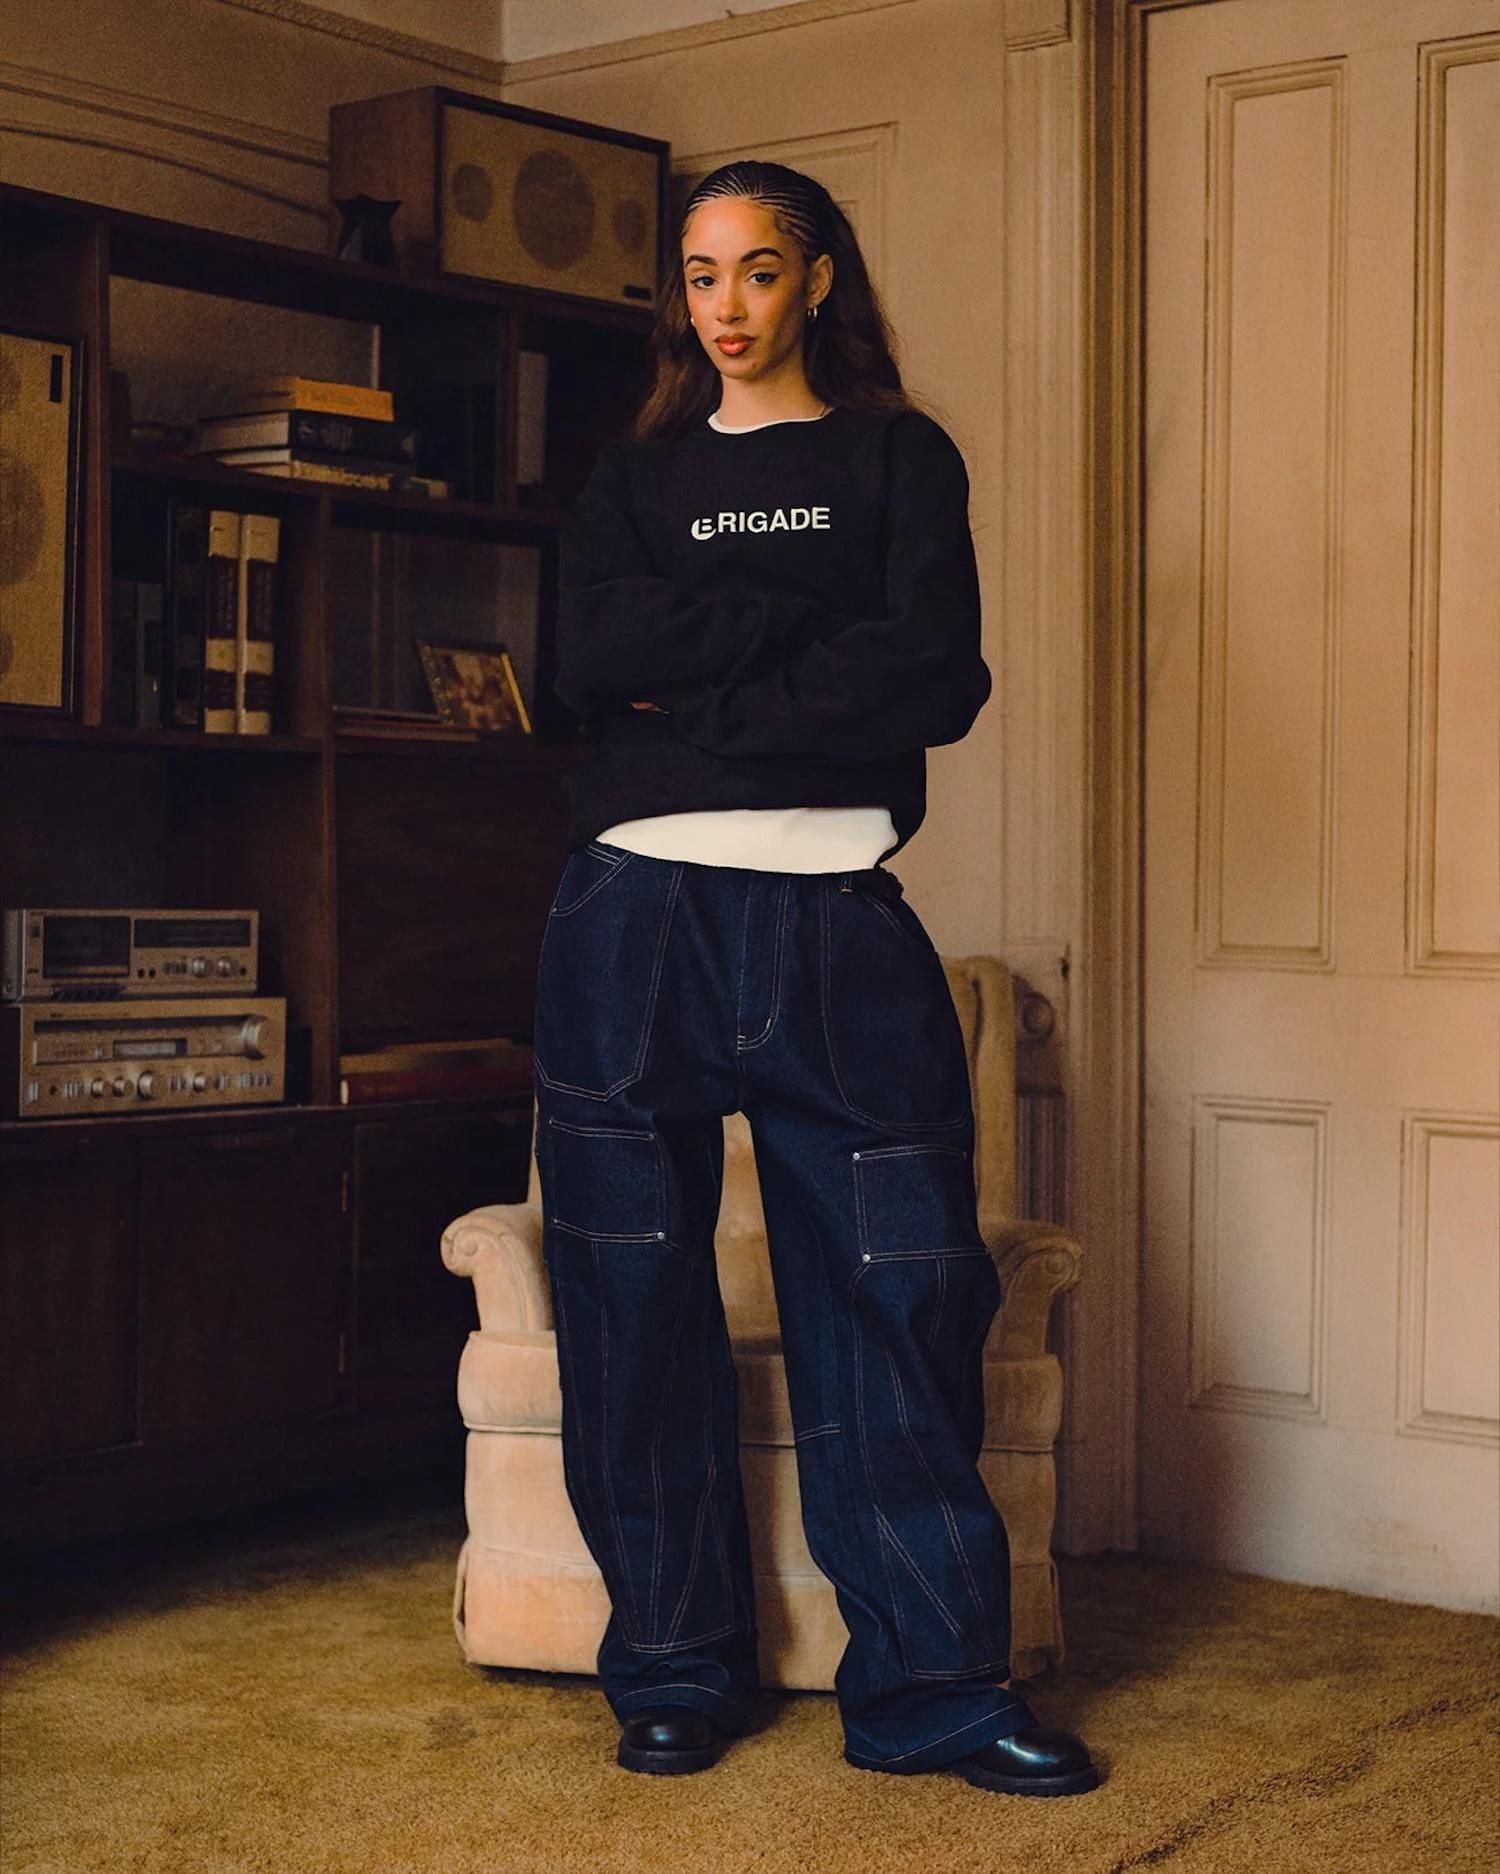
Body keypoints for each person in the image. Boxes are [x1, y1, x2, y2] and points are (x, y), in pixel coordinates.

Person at [533, 158, 1099, 1800]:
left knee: (899, 1289)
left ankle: (933, 1687)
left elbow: (933, 676)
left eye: (759, 271)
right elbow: (586, 663)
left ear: (819, 277)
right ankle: (673, 1669)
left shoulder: (897, 458)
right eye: (700, 275)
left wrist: (703, 683)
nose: (726, 306)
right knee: (630, 1295)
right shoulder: (633, 478)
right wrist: (796, 647)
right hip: (631, 921)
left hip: (839, 923)